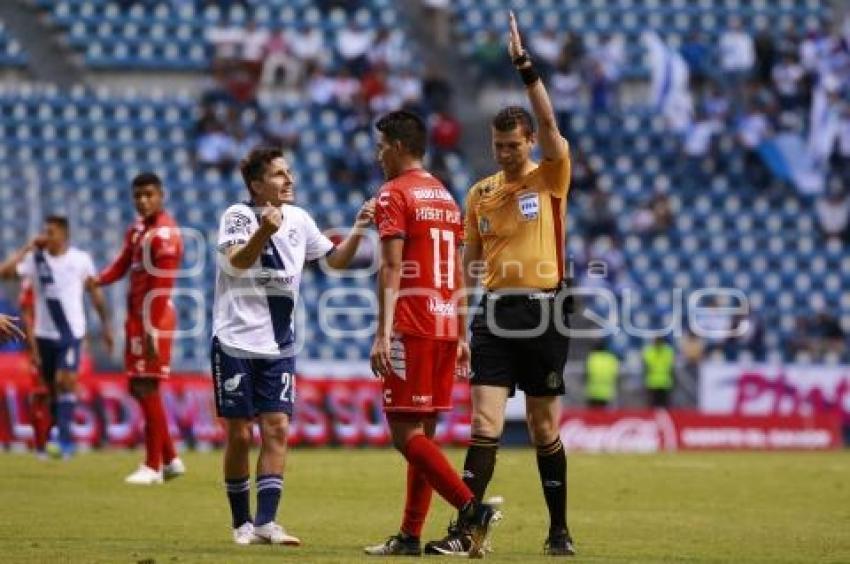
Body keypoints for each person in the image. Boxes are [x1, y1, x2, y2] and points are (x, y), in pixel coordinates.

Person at [425, 13, 576, 557]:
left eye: (513, 144)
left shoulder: (550, 175)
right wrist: (462, 324)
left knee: (541, 427)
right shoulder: (480, 192)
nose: (505, 153)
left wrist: (525, 68)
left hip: (546, 312)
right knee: (483, 421)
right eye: (498, 144)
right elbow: (469, 263)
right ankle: (466, 531)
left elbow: (552, 125)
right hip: (494, 314)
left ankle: (559, 528)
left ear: (531, 142)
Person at [212, 146, 374, 546]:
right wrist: (264, 231)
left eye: (289, 172)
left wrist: (356, 229)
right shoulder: (237, 215)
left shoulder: (300, 219)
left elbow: (334, 262)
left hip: (279, 345)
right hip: (235, 341)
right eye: (279, 174)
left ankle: (267, 522)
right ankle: (241, 523)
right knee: (239, 435)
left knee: (278, 428)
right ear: (256, 185)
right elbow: (235, 263)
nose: (289, 180)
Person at [364, 110, 501, 558]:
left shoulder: (393, 194)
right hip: (444, 324)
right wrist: (460, 332)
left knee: (405, 435)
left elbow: (390, 266)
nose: (378, 154)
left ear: (400, 147)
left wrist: (383, 333)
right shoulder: (444, 196)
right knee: (423, 435)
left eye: (382, 145)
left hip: (413, 322)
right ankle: (408, 536)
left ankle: (470, 509)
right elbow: (462, 271)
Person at [97, 173, 186, 484]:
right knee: (140, 387)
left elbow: (163, 285)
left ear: (161, 195)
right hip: (138, 317)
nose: (143, 201)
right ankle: (171, 459)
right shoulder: (137, 231)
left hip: (154, 317)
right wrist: (98, 280)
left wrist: (151, 327)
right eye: (138, 196)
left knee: (146, 387)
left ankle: (153, 466)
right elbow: (122, 264)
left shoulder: (165, 235)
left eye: (149, 195)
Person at [0, 216, 113, 458]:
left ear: (63, 235)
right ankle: (55, 435)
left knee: (66, 380)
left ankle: (64, 440)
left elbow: (95, 294)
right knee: (51, 389)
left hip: (72, 331)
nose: (46, 236)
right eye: (45, 232)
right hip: (44, 334)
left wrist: (105, 325)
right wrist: (26, 248)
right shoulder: (35, 259)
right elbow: (5, 273)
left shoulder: (80, 260)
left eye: (50, 232)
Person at [584, 340, 619, 409]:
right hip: (607, 392)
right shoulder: (611, 358)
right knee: (604, 416)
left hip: (592, 392)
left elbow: (586, 374)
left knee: (592, 415)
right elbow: (616, 375)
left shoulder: (592, 358)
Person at [643, 337, 675, 408]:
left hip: (664, 383)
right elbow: (647, 366)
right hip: (653, 383)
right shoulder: (649, 352)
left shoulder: (668, 352)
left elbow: (670, 366)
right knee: (653, 406)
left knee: (664, 406)